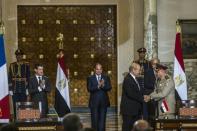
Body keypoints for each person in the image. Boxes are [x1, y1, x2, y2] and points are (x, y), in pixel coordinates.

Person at [87, 63, 112, 131]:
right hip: (94, 103)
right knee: (94, 121)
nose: (99, 70)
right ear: (94, 69)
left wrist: (103, 86)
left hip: (103, 103)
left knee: (102, 121)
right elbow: (89, 89)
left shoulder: (106, 77)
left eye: (100, 69)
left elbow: (109, 87)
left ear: (102, 70)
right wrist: (98, 86)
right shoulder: (90, 78)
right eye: (97, 69)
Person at [120, 62, 143, 131]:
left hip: (135, 109)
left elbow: (138, 91)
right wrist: (142, 98)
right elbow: (130, 93)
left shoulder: (135, 79)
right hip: (129, 110)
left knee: (134, 128)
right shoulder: (127, 79)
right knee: (127, 127)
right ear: (133, 70)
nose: (140, 72)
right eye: (139, 70)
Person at [8, 49, 30, 116]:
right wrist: (10, 89)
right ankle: (15, 120)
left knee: (23, 105)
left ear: (22, 56)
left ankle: (22, 121)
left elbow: (28, 77)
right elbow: (10, 77)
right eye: (17, 56)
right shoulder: (12, 65)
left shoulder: (26, 65)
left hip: (23, 88)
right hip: (15, 89)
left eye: (20, 56)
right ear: (16, 57)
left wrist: (27, 89)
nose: (19, 57)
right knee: (15, 105)